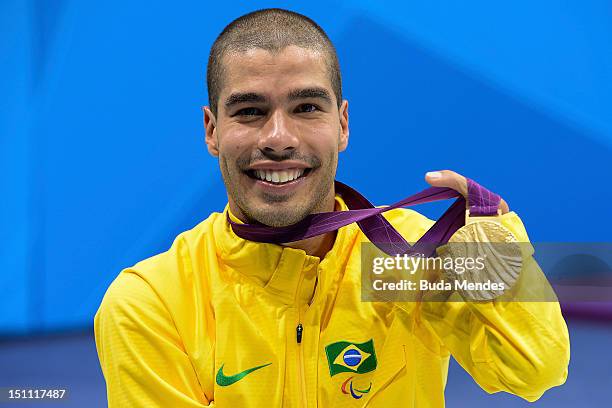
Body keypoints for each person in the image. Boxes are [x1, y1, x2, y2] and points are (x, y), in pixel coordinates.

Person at [94, 8, 569, 407]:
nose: (278, 139)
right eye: (249, 111)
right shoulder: (153, 303)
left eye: (306, 108)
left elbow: (536, 369)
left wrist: (495, 245)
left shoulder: (405, 260)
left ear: (342, 124)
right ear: (211, 130)